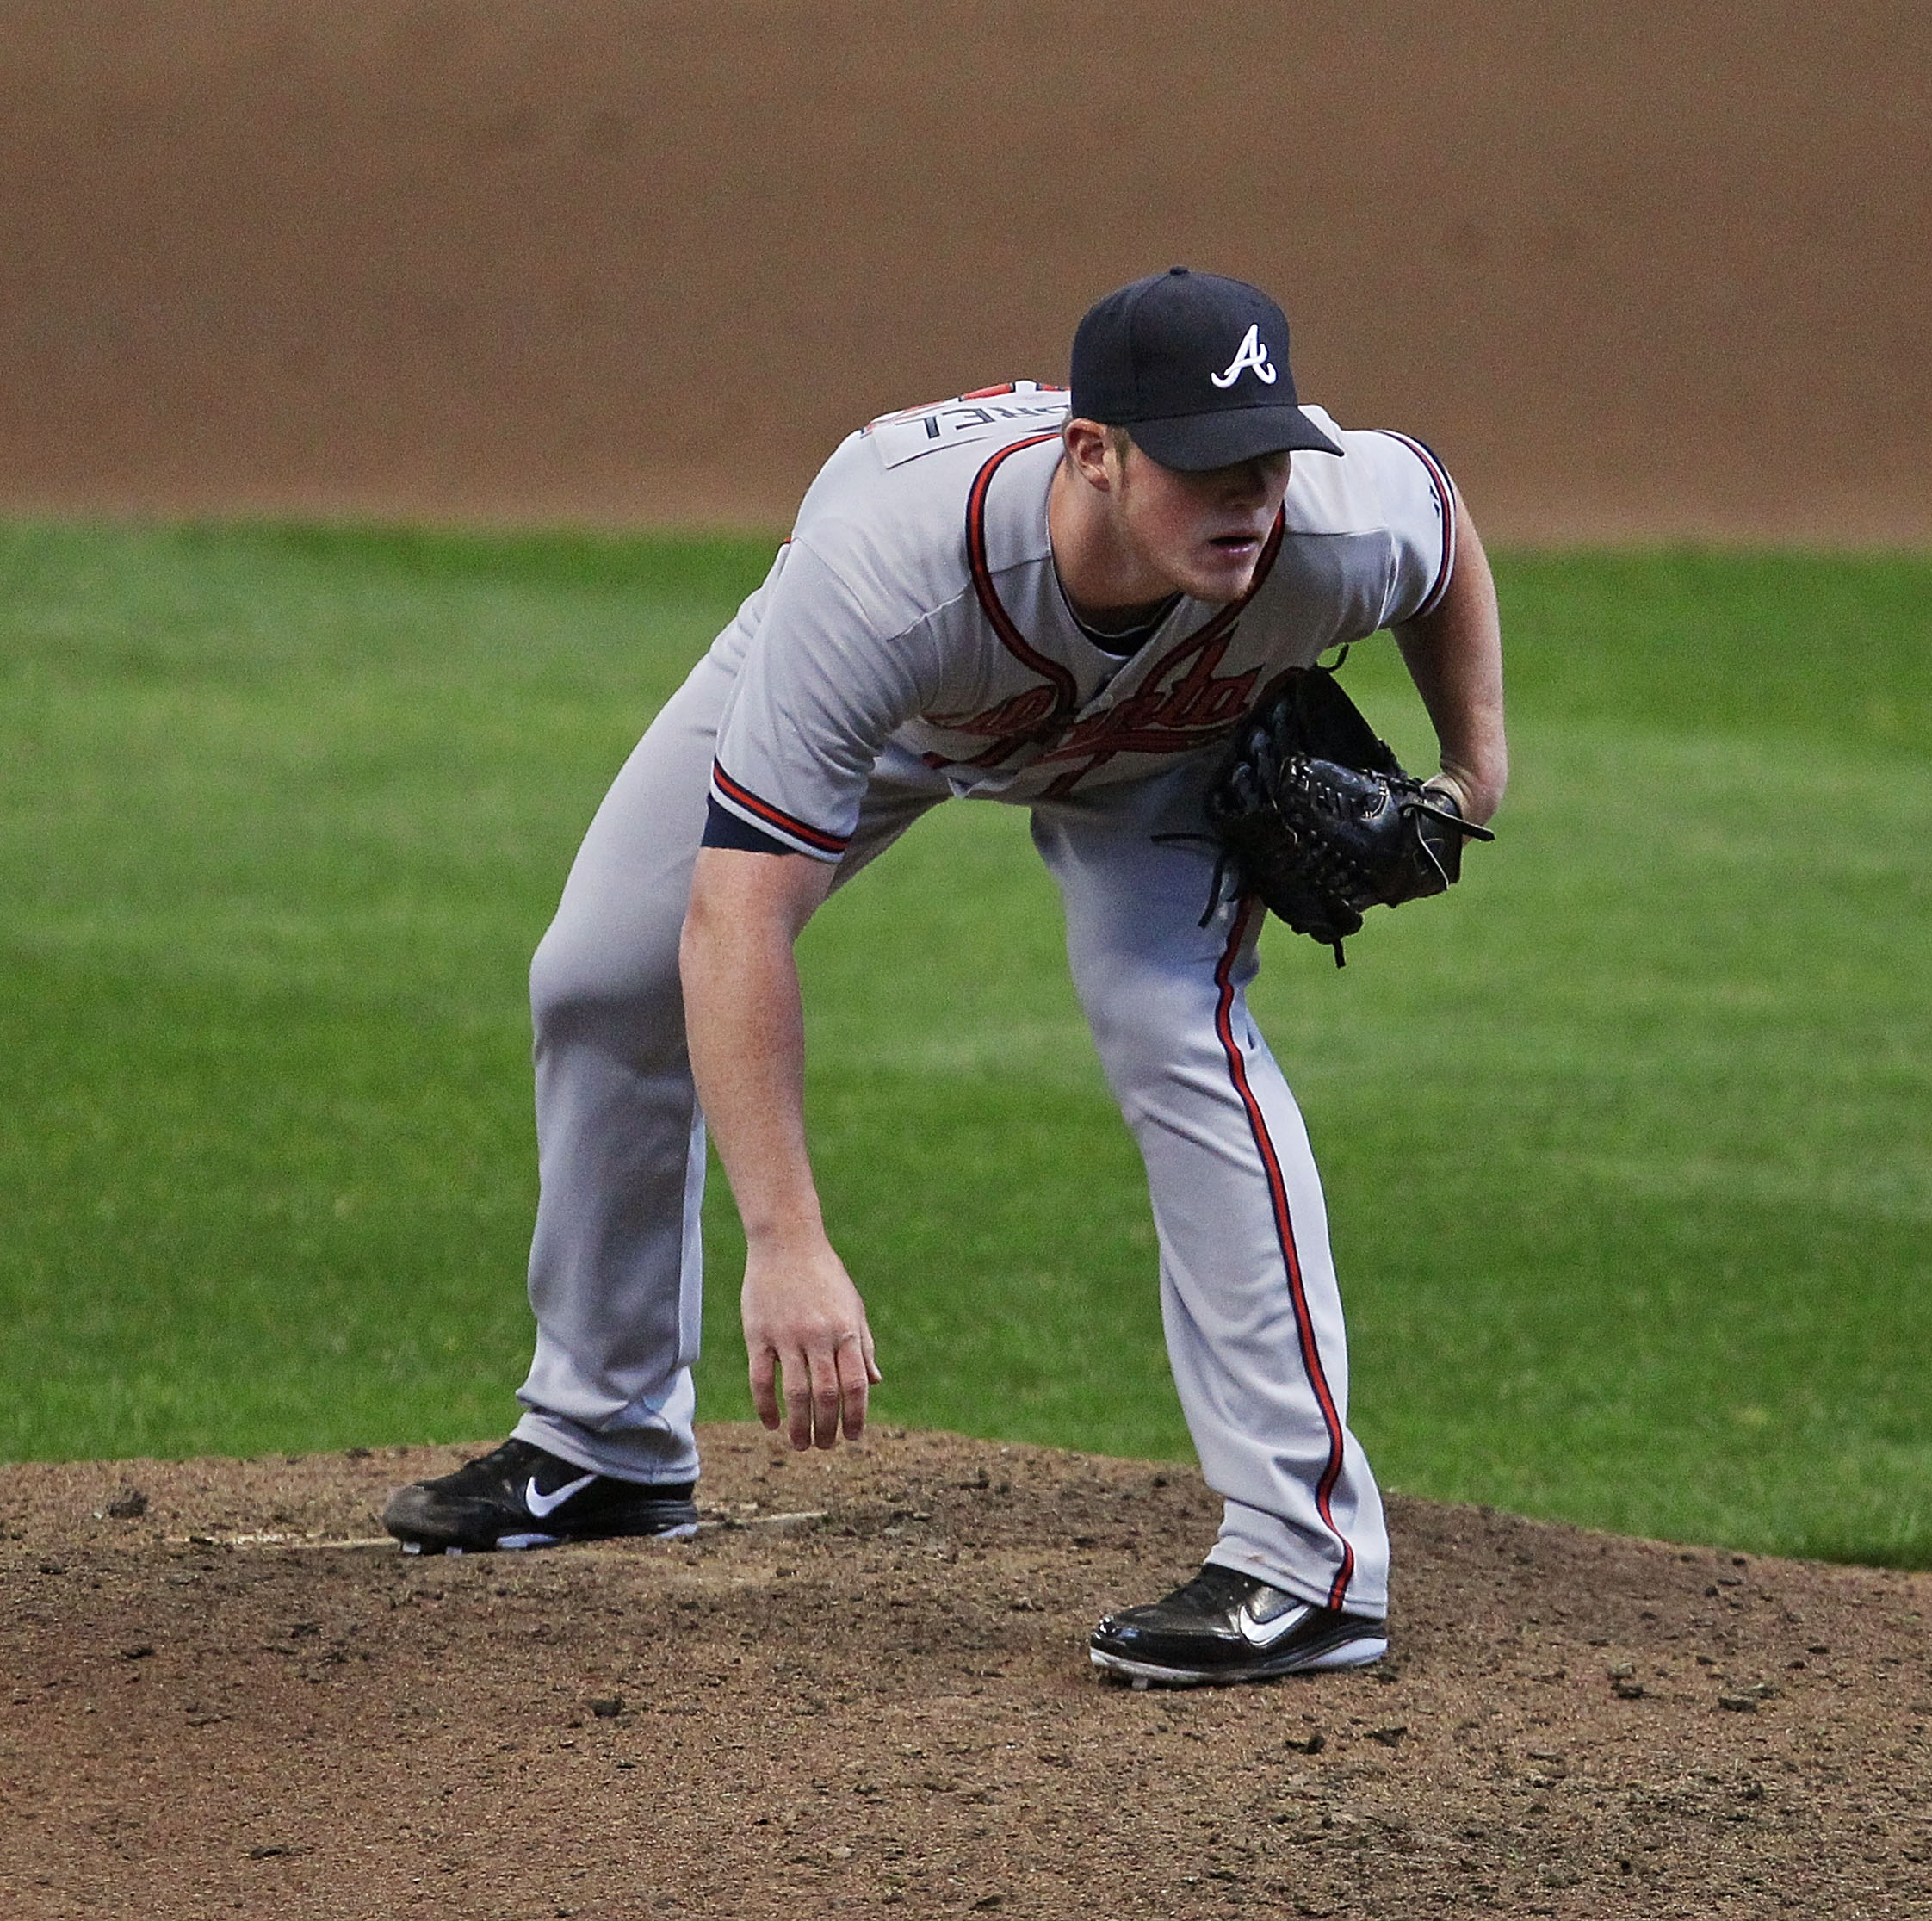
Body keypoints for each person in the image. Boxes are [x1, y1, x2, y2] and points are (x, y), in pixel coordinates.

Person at [382, 268, 1508, 1687]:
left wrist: (1477, 766)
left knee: (1175, 1026)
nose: (1253, 493)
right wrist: (787, 1241)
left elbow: (1447, 519)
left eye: (1269, 454)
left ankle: (1308, 1564)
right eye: (1209, 462)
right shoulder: (882, 576)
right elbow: (736, 918)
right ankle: (603, 1441)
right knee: (602, 979)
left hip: (1155, 754)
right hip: (918, 702)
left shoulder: (1330, 529)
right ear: (1092, 453)